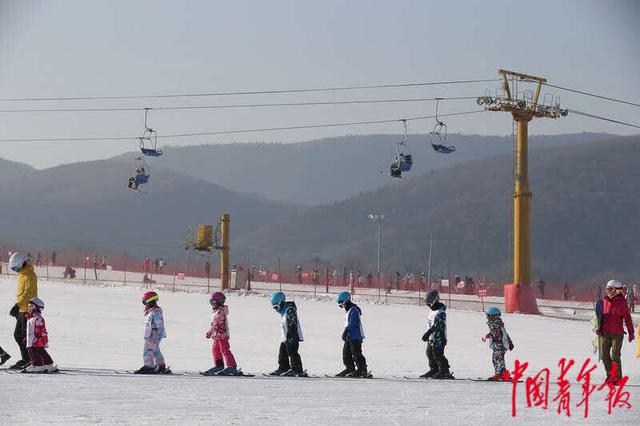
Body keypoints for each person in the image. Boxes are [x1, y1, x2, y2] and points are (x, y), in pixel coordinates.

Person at [599, 280, 634, 383]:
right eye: (607, 289)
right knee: (604, 355)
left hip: (617, 333)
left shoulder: (622, 302)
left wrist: (631, 332)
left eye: (610, 289)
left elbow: (627, 318)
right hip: (605, 332)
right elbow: (601, 317)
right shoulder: (604, 300)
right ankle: (610, 376)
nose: (608, 291)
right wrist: (599, 328)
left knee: (615, 355)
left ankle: (617, 378)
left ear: (616, 290)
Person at [9, 252, 38, 370]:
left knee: (26, 336)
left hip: (29, 309)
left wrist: (17, 305)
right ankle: (25, 358)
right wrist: (19, 308)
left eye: (16, 268)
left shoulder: (30, 275)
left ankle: (30, 359)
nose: (16, 270)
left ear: (22, 263)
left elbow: (27, 293)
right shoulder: (22, 274)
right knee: (18, 335)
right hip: (22, 308)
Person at [268, 292, 304, 377]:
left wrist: (291, 334)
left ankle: (297, 369)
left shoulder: (290, 309)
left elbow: (293, 323)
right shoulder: (284, 310)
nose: (276, 310)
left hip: (292, 335)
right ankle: (284, 367)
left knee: (292, 351)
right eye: (274, 308)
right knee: (282, 352)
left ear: (281, 302)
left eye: (276, 307)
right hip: (285, 336)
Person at [335, 291, 369, 378]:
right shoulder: (349, 310)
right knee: (346, 354)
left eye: (340, 303)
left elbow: (353, 323)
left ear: (346, 300)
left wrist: (346, 331)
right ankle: (350, 368)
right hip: (349, 336)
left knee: (356, 353)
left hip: (355, 336)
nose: (340, 305)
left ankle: (362, 370)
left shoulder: (353, 310)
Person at [203, 292, 238, 375]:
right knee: (215, 350)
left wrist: (209, 332)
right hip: (216, 336)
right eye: (211, 303)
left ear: (220, 302)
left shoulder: (220, 312)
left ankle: (232, 366)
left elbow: (216, 325)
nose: (212, 304)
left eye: (214, 302)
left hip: (222, 335)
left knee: (225, 350)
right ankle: (219, 365)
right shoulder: (215, 312)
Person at [420, 290, 453, 379]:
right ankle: (434, 369)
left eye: (429, 303)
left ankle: (444, 371)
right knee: (429, 353)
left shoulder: (440, 312)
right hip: (432, 337)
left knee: (437, 354)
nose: (428, 305)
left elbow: (439, 325)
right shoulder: (433, 310)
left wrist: (429, 332)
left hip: (439, 338)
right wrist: (428, 334)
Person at [135, 291, 168, 374]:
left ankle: (148, 366)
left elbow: (159, 322)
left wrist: (158, 330)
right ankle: (160, 365)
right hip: (151, 334)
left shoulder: (156, 311)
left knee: (148, 350)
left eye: (145, 302)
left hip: (154, 334)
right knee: (156, 350)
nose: (145, 304)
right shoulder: (152, 310)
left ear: (151, 301)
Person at [23, 297, 57, 373]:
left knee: (34, 352)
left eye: (31, 306)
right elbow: (31, 330)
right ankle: (48, 363)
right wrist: (27, 338)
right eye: (29, 306)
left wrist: (37, 338)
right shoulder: (32, 318)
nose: (29, 308)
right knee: (40, 351)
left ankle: (37, 365)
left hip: (35, 340)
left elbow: (40, 329)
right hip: (32, 339)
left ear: (37, 308)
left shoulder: (38, 318)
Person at [482, 307, 514, 381]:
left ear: (492, 316)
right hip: (502, 345)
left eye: (487, 315)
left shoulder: (494, 324)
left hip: (499, 345)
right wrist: (510, 342)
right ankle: (503, 374)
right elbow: (505, 333)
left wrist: (487, 336)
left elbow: (495, 334)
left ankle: (499, 374)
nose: (486, 317)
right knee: (499, 359)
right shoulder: (499, 323)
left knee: (497, 359)